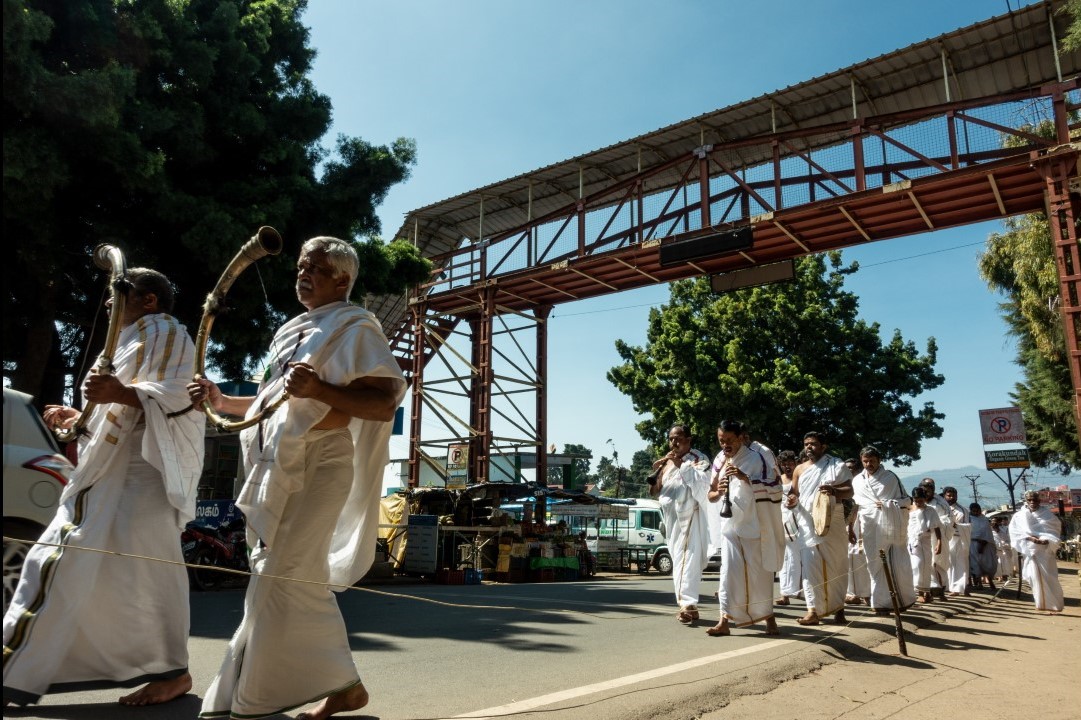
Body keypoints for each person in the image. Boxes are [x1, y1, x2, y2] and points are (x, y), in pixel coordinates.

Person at [189, 236, 407, 720]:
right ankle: (344, 688)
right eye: (300, 267)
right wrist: (222, 402)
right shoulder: (290, 331)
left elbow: (384, 403)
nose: (302, 274)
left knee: (280, 575)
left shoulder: (357, 325)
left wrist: (321, 387)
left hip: (324, 462)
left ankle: (253, 698)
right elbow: (274, 402)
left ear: (343, 280)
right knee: (284, 577)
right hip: (277, 465)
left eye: (315, 268)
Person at [4, 269, 205, 707]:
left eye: (119, 296)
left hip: (144, 470)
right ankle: (20, 666)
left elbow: (181, 396)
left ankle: (174, 673)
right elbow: (108, 413)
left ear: (150, 301)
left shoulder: (167, 332)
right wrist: (75, 420)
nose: (109, 304)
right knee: (63, 560)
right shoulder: (122, 342)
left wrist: (119, 391)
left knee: (150, 571)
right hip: (102, 472)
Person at [705, 421, 784, 637]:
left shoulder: (758, 456)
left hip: (754, 524)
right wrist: (719, 492)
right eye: (721, 440)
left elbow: (776, 488)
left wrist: (744, 478)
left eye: (729, 440)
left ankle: (769, 617)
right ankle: (724, 621)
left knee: (760, 575)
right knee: (728, 574)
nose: (725, 445)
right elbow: (710, 495)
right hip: (729, 526)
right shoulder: (719, 460)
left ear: (741, 437)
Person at [648, 423, 712, 625]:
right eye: (671, 438)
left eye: (678, 438)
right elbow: (655, 491)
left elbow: (703, 484)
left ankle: (687, 604)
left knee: (688, 559)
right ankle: (689, 606)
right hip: (670, 519)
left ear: (688, 439)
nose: (674, 442)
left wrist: (679, 465)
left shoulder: (698, 459)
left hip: (689, 515)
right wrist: (658, 472)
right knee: (679, 561)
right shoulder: (666, 463)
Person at [788, 431, 853, 626]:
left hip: (832, 520)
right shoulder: (799, 469)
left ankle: (838, 608)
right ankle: (812, 610)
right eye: (806, 444)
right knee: (810, 567)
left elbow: (849, 491)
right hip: (807, 523)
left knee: (837, 565)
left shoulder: (835, 465)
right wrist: (791, 501)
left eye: (814, 444)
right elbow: (794, 494)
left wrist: (834, 490)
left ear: (824, 446)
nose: (809, 447)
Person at [851, 446, 915, 614]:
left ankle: (898, 601)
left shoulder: (890, 478)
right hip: (868, 526)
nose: (868, 464)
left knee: (893, 563)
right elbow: (855, 506)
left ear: (879, 460)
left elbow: (907, 501)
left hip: (890, 528)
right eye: (865, 461)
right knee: (873, 564)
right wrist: (851, 527)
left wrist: (888, 505)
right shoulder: (857, 480)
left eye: (872, 461)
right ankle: (879, 601)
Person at [1008, 491, 1064, 613]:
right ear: (1026, 501)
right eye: (1030, 500)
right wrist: (1030, 538)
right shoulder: (1019, 516)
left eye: (1035, 500)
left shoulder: (1047, 515)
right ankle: (1041, 603)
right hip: (1030, 551)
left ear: (1039, 501)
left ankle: (1054, 604)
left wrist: (1046, 540)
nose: (1032, 502)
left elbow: (1054, 531)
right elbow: (1015, 532)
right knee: (1034, 577)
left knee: (1049, 577)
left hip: (1044, 552)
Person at [775, 450, 803, 605]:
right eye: (784, 464)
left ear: (796, 463)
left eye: (790, 463)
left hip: (798, 518)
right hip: (781, 518)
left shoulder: (800, 477)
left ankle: (798, 589)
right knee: (784, 557)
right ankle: (784, 594)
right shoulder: (778, 479)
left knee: (797, 556)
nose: (787, 466)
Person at [918, 478, 953, 598]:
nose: (926, 492)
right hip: (921, 539)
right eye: (924, 489)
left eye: (929, 489)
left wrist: (933, 525)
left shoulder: (941, 503)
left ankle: (940, 589)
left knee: (937, 563)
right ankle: (926, 591)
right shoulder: (916, 500)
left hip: (938, 537)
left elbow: (948, 520)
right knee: (923, 563)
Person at [907, 486, 943, 604]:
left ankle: (925, 592)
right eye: (916, 500)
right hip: (911, 542)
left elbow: (936, 527)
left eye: (921, 500)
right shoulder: (909, 509)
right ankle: (919, 592)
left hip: (925, 542)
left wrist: (939, 542)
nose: (918, 503)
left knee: (925, 566)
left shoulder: (930, 510)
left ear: (925, 499)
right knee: (915, 566)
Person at [942, 486, 971, 596]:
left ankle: (958, 587)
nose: (951, 497)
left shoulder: (962, 510)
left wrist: (955, 525)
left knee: (958, 564)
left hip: (958, 539)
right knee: (946, 563)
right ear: (944, 496)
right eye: (949, 495)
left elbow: (967, 526)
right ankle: (947, 586)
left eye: (954, 495)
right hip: (945, 540)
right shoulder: (942, 508)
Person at [968, 503, 997, 591]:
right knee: (975, 564)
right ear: (971, 511)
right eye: (974, 511)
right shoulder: (968, 519)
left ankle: (990, 580)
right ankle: (979, 583)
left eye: (978, 510)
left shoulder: (984, 519)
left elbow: (988, 533)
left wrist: (983, 543)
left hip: (986, 544)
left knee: (990, 564)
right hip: (972, 544)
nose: (976, 512)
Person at [991, 515, 1016, 582]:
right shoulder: (990, 532)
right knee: (998, 564)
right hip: (995, 550)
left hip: (1005, 550)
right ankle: (999, 576)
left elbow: (1007, 540)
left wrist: (1004, 544)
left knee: (1006, 564)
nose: (995, 525)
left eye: (996, 523)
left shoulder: (1003, 531)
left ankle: (1007, 576)